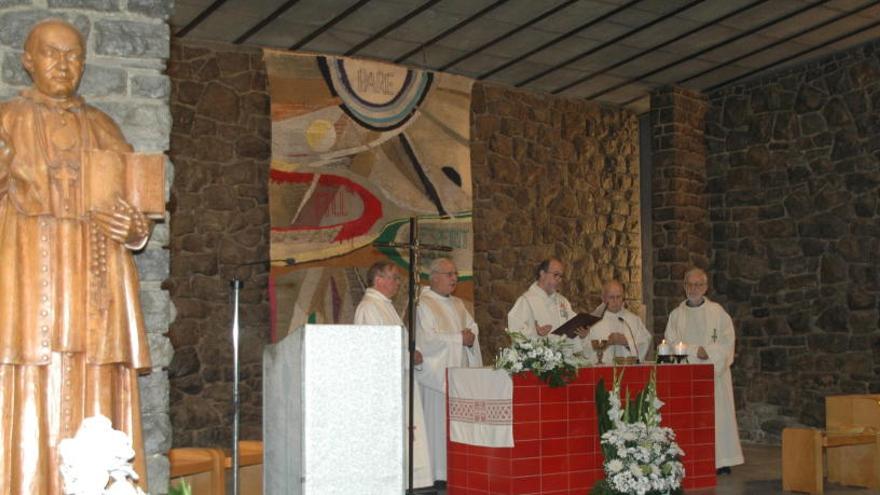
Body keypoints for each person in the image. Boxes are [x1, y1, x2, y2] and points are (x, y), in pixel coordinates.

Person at [0, 19, 153, 492]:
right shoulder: (5, 119)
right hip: (29, 272)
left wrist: (131, 228)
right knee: (27, 372)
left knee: (95, 375)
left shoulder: (103, 126)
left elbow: (138, 213)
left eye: (74, 56)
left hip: (93, 282)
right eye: (51, 53)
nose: (64, 65)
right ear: (28, 60)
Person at [353, 260, 434, 489]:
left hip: (399, 381)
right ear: (379, 280)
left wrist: (412, 352)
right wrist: (408, 356)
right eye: (394, 278)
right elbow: (374, 351)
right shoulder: (369, 307)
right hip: (383, 386)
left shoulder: (384, 305)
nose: (398, 283)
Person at [664, 268, 744, 474]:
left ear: (706, 287)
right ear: (684, 287)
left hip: (714, 375)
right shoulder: (676, 315)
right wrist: (695, 351)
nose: (693, 289)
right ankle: (690, 458)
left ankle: (720, 460)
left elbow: (728, 343)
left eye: (698, 284)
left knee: (718, 416)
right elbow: (670, 343)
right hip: (686, 376)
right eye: (689, 284)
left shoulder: (718, 312)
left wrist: (707, 353)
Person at [416, 257, 482, 484]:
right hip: (438, 380)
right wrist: (458, 339)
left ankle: (457, 470)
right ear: (433, 277)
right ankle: (438, 475)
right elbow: (426, 341)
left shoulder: (458, 304)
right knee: (438, 426)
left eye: (455, 274)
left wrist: (471, 339)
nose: (455, 278)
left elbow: (472, 329)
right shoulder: (423, 304)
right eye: (449, 274)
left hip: (458, 376)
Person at [507, 258, 588, 340]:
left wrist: (582, 334)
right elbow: (515, 331)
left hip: (562, 352)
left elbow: (573, 329)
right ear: (542, 274)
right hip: (540, 352)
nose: (559, 279)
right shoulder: (526, 301)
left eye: (561, 276)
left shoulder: (563, 302)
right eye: (556, 275)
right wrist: (535, 333)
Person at [586, 280, 652, 364]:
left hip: (627, 371)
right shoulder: (592, 320)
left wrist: (627, 342)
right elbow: (585, 348)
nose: (615, 301)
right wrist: (606, 344)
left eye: (618, 297)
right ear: (603, 298)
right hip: (602, 371)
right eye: (611, 297)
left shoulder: (633, 320)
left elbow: (644, 342)